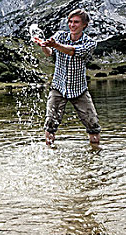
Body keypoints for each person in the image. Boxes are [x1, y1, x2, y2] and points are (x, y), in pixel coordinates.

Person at [33, 9, 101, 146]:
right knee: (50, 124)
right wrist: (43, 46)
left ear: (84, 25)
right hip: (58, 88)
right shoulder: (60, 35)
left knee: (93, 125)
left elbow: (72, 51)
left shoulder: (90, 43)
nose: (72, 25)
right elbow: (49, 53)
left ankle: (95, 155)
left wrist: (56, 45)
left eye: (76, 22)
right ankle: (50, 154)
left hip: (79, 90)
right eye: (70, 22)